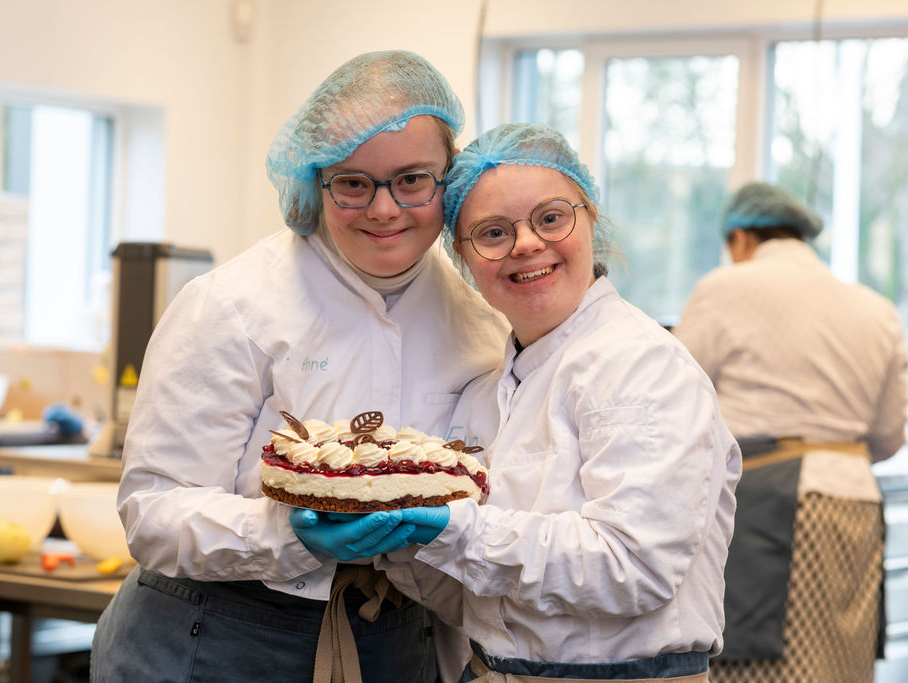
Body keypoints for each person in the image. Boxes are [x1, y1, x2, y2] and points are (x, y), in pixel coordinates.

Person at [89, 50, 508, 683]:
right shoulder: (233, 305)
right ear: (315, 181)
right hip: (217, 633)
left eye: (412, 179)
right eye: (353, 182)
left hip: (394, 631)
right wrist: (288, 535)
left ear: (451, 177)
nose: (384, 209)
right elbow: (153, 512)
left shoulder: (480, 317)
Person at [306, 122, 740, 681]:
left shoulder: (640, 365)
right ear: (463, 259)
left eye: (551, 218)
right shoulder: (490, 392)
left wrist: (453, 529)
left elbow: (634, 567)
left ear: (591, 219)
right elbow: (478, 597)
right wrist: (394, 542)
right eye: (491, 233)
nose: (527, 244)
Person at [671, 181, 907, 682]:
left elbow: (679, 401)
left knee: (757, 664)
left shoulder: (723, 288)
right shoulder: (874, 308)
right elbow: (889, 436)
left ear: (740, 238)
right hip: (856, 501)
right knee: (839, 664)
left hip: (767, 500)